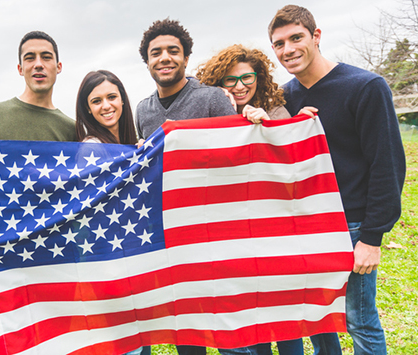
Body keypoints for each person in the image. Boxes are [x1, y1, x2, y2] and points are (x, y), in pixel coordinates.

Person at [268, 5, 405, 355]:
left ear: (316, 36)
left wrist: (372, 239)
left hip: (353, 224)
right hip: (307, 225)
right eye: (279, 44)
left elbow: (387, 165)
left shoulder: (365, 87)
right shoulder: (284, 98)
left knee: (359, 319)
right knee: (317, 316)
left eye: (296, 38)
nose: (288, 50)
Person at [136, 18, 265, 355]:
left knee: (229, 332)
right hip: (172, 237)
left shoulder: (212, 100)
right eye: (156, 53)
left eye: (172, 51)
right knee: (188, 332)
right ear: (147, 61)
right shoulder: (142, 110)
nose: (164, 57)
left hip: (217, 233)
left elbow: (238, 160)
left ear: (185, 58)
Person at [197, 44, 304, 355]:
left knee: (283, 315)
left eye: (247, 77)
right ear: (218, 81)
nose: (240, 85)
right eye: (230, 79)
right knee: (248, 317)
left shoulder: (276, 109)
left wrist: (271, 127)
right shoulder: (212, 111)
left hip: (275, 230)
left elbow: (291, 164)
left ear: (260, 78)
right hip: (232, 235)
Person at [0, 30, 77, 194]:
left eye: (46, 57)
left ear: (58, 67)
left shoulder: (72, 129)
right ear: (20, 69)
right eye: (30, 58)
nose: (38, 64)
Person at [76, 69, 148, 355]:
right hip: (107, 257)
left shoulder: (130, 142)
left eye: (111, 97)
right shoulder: (91, 147)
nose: (106, 106)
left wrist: (144, 155)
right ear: (88, 110)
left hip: (134, 252)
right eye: (96, 101)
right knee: (123, 340)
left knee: (141, 335)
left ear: (122, 100)